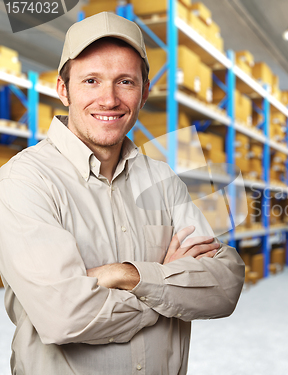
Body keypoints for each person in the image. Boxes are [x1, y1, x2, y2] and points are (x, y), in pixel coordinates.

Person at [0, 12, 245, 375]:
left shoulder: (162, 179)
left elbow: (224, 286)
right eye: (91, 80)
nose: (109, 99)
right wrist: (163, 284)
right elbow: (64, 317)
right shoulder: (24, 181)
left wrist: (124, 275)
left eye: (125, 82)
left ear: (144, 93)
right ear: (63, 89)